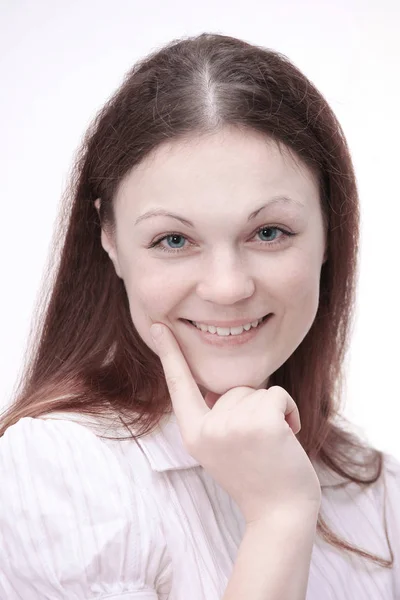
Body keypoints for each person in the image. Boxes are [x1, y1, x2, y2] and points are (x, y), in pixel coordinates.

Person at [0, 32, 398, 600]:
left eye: (269, 232)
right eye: (173, 239)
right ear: (109, 239)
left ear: (330, 231)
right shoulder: (58, 470)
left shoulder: (377, 490)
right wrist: (278, 518)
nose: (228, 287)